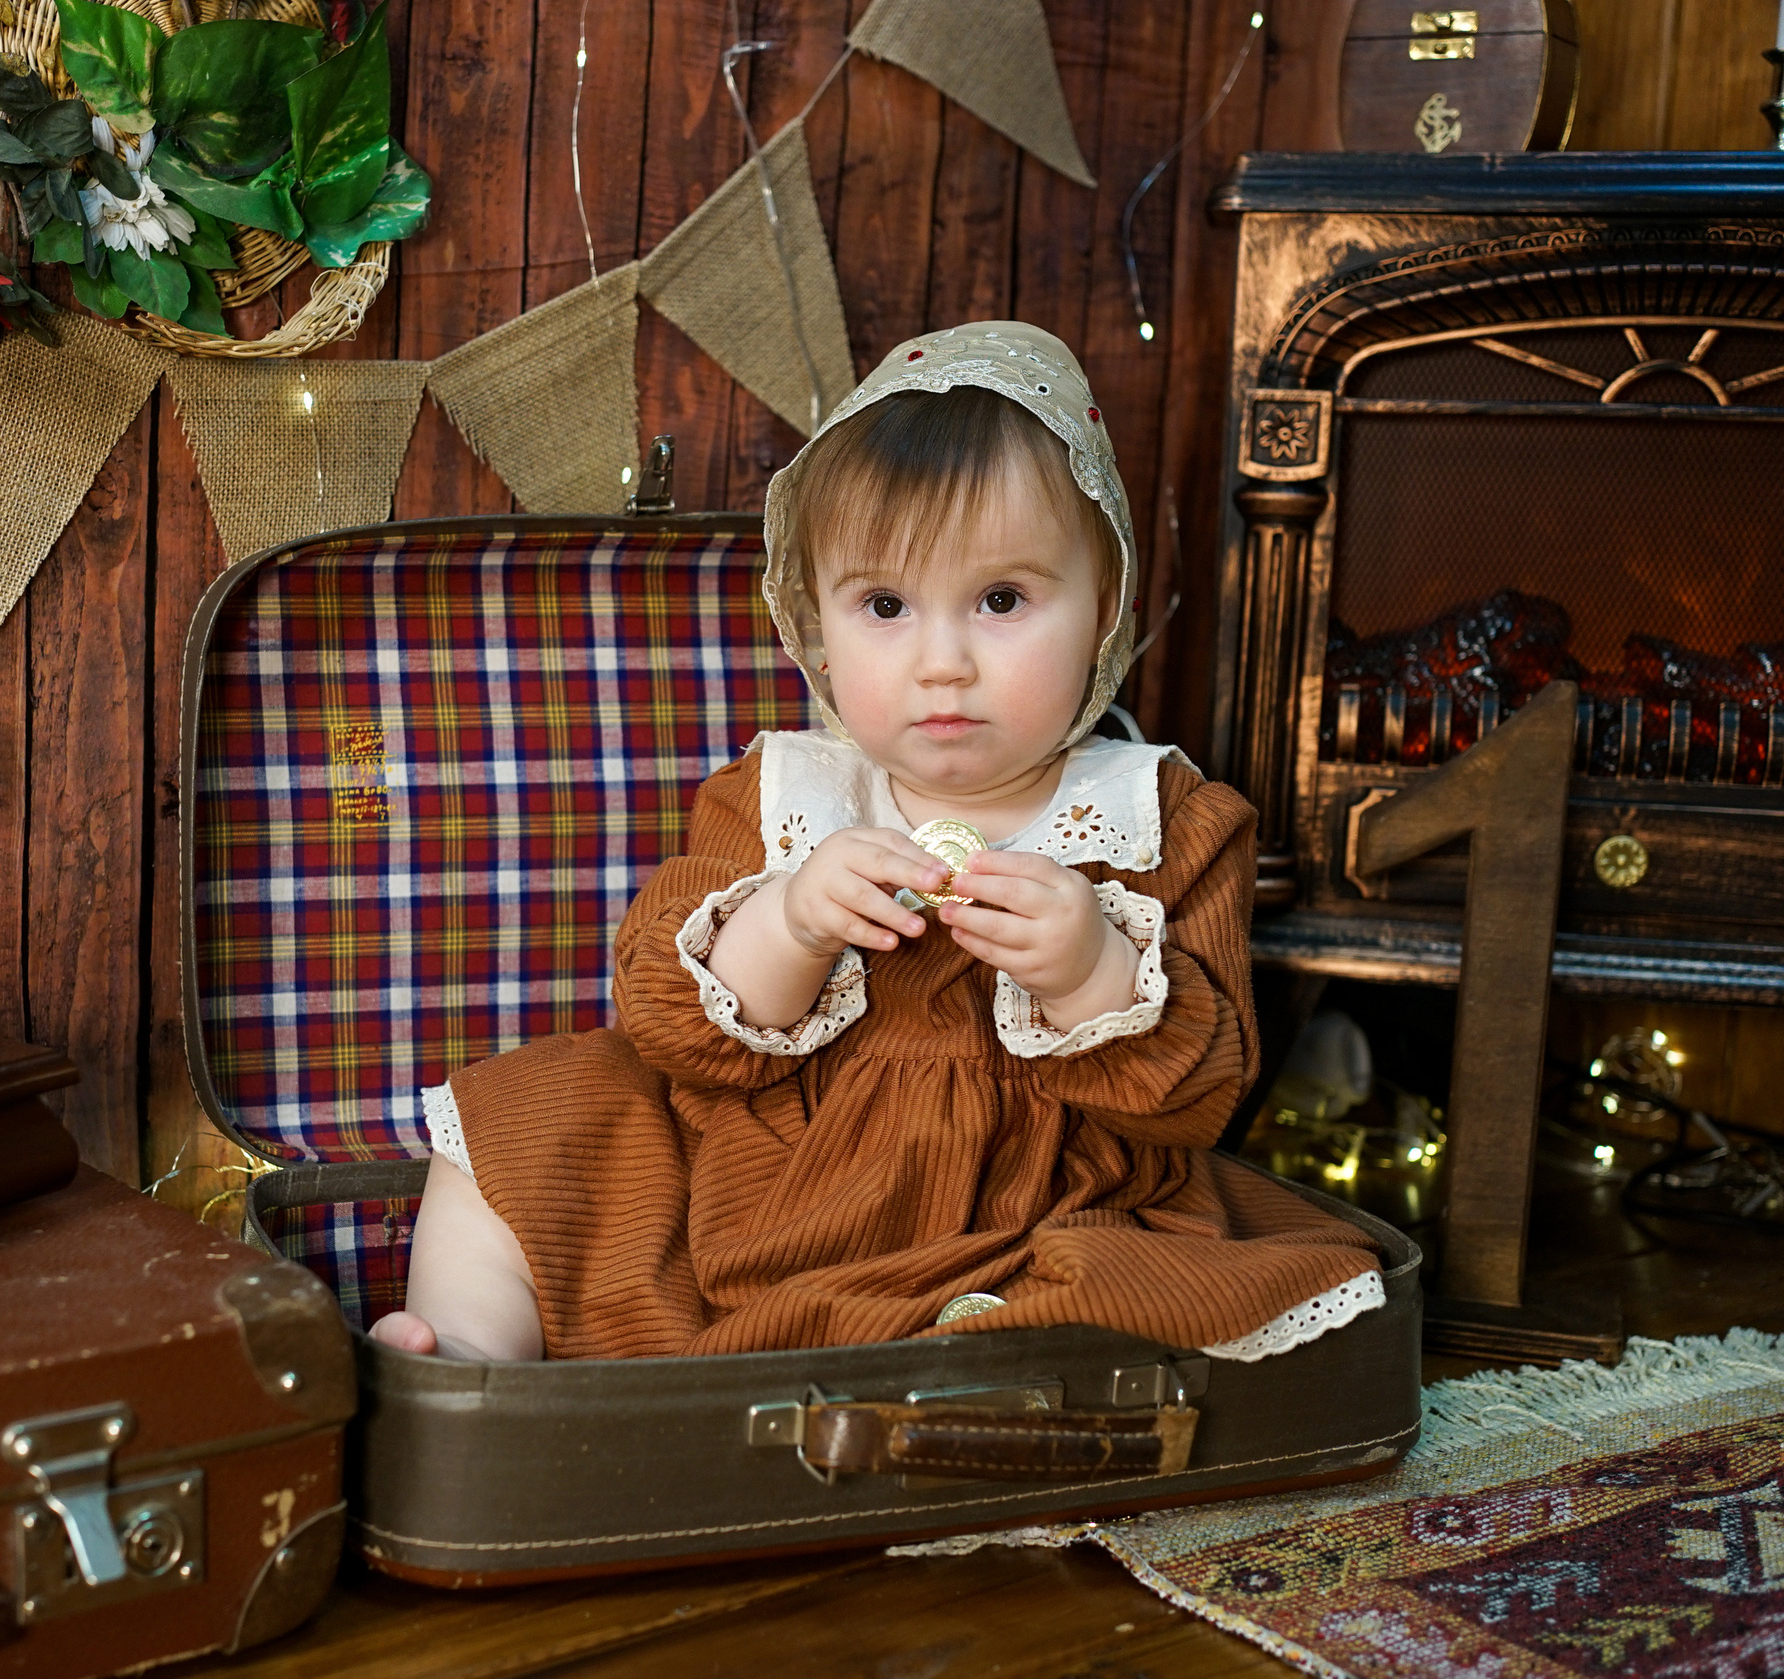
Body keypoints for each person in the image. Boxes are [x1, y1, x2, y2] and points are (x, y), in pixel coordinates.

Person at [367, 322, 1384, 1363]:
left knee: (1159, 1288)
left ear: (1104, 607)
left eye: (1001, 600)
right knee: (528, 1117)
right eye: (885, 605)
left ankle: (963, 1356)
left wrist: (1091, 970)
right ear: (816, 624)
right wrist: (791, 922)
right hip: (764, 1189)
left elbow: (1200, 1095)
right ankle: (470, 1358)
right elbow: (676, 1032)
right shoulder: (784, 796)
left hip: (1034, 1204)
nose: (942, 663)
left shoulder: (1160, 817)